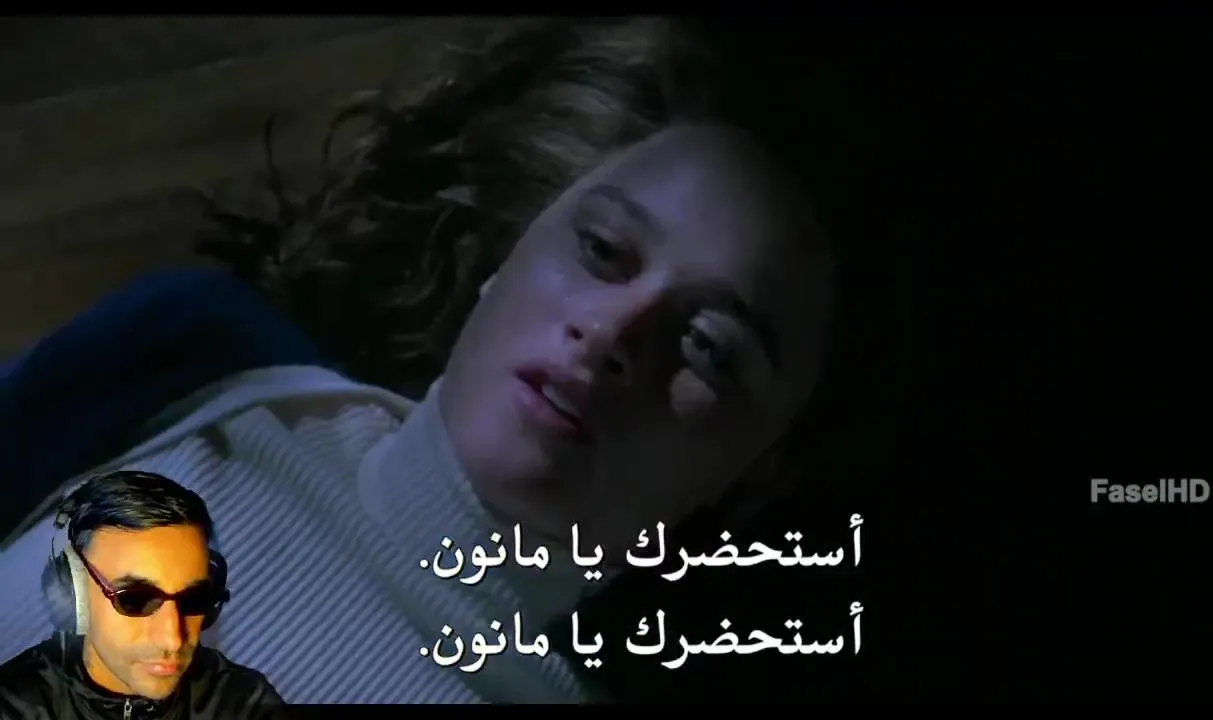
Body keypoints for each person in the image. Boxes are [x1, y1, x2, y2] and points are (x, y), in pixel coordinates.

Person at [1, 17, 893, 702]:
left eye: (709, 347)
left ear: (759, 472)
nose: (615, 334)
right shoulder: (203, 362)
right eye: (601, 251)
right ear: (509, 257)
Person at [0, 470, 284, 719]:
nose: (172, 639)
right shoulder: (12, 706)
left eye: (193, 599)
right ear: (74, 596)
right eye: (135, 599)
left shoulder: (246, 705)